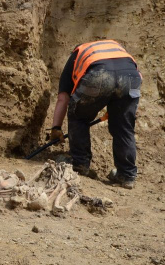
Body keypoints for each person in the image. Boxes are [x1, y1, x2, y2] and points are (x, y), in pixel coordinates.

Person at [48, 39, 142, 188]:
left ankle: (80, 164)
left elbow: (63, 98)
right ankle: (127, 174)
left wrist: (56, 128)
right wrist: (119, 110)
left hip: (99, 75)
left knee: (78, 115)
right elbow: (125, 78)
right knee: (123, 127)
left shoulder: (77, 55)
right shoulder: (115, 47)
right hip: (132, 77)